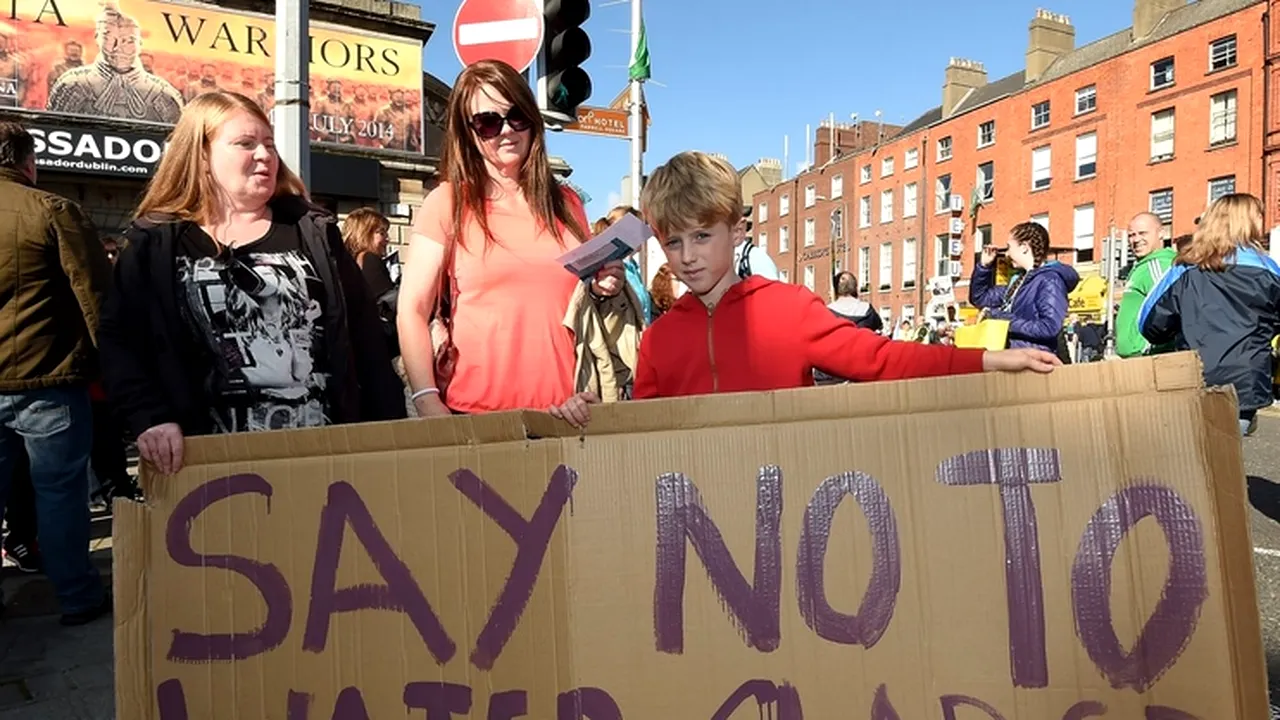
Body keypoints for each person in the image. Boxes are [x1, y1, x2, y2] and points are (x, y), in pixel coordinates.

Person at [550, 152, 1058, 425]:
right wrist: (597, 419)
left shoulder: (789, 308)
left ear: (737, 230)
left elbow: (880, 360)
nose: (687, 255)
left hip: (785, 517)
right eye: (674, 240)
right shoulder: (659, 339)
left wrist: (991, 360)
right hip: (697, 524)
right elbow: (643, 433)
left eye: (702, 235)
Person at [99, 92, 405, 476]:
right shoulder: (156, 243)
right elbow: (119, 339)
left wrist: (388, 433)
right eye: (245, 144)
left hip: (322, 458)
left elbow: (365, 339)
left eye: (269, 144)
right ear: (201, 155)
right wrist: (149, 416)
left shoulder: (312, 231)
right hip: (201, 465)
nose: (264, 155)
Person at [397, 59, 618, 417]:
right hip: (475, 417)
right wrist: (426, 399)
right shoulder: (448, 202)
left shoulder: (568, 203)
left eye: (516, 115)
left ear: (532, 118)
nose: (505, 131)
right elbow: (411, 309)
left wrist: (601, 286)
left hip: (567, 412)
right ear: (468, 132)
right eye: (487, 122)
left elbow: (576, 303)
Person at [0, 121, 111, 625]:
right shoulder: (52, 211)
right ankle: (77, 596)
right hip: (48, 380)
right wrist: (111, 370)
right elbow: (96, 298)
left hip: (39, 381)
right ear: (27, 162)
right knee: (61, 492)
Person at [1140, 194, 1280, 437]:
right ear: (1245, 222)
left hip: (1193, 377)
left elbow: (1149, 324)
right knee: (1226, 460)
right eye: (1259, 216)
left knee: (1190, 458)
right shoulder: (1269, 269)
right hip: (1245, 383)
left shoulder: (1185, 268)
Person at [970, 222, 1079, 353]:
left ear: (1024, 247)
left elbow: (1049, 328)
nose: (1007, 254)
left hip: (1035, 362)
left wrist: (1002, 318)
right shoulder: (1018, 282)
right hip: (1018, 359)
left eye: (1009, 247)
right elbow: (980, 298)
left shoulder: (1049, 280)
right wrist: (984, 266)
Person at [1116, 212, 1178, 358]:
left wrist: (1149, 347)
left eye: (1143, 233)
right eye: (1132, 235)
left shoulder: (1157, 265)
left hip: (1149, 356)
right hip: (1139, 356)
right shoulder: (1142, 267)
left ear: (1161, 233)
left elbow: (1170, 310)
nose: (1136, 240)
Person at [341, 207, 399, 357]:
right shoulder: (369, 259)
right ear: (364, 233)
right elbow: (388, 303)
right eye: (381, 233)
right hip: (375, 345)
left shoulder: (347, 262)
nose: (387, 239)